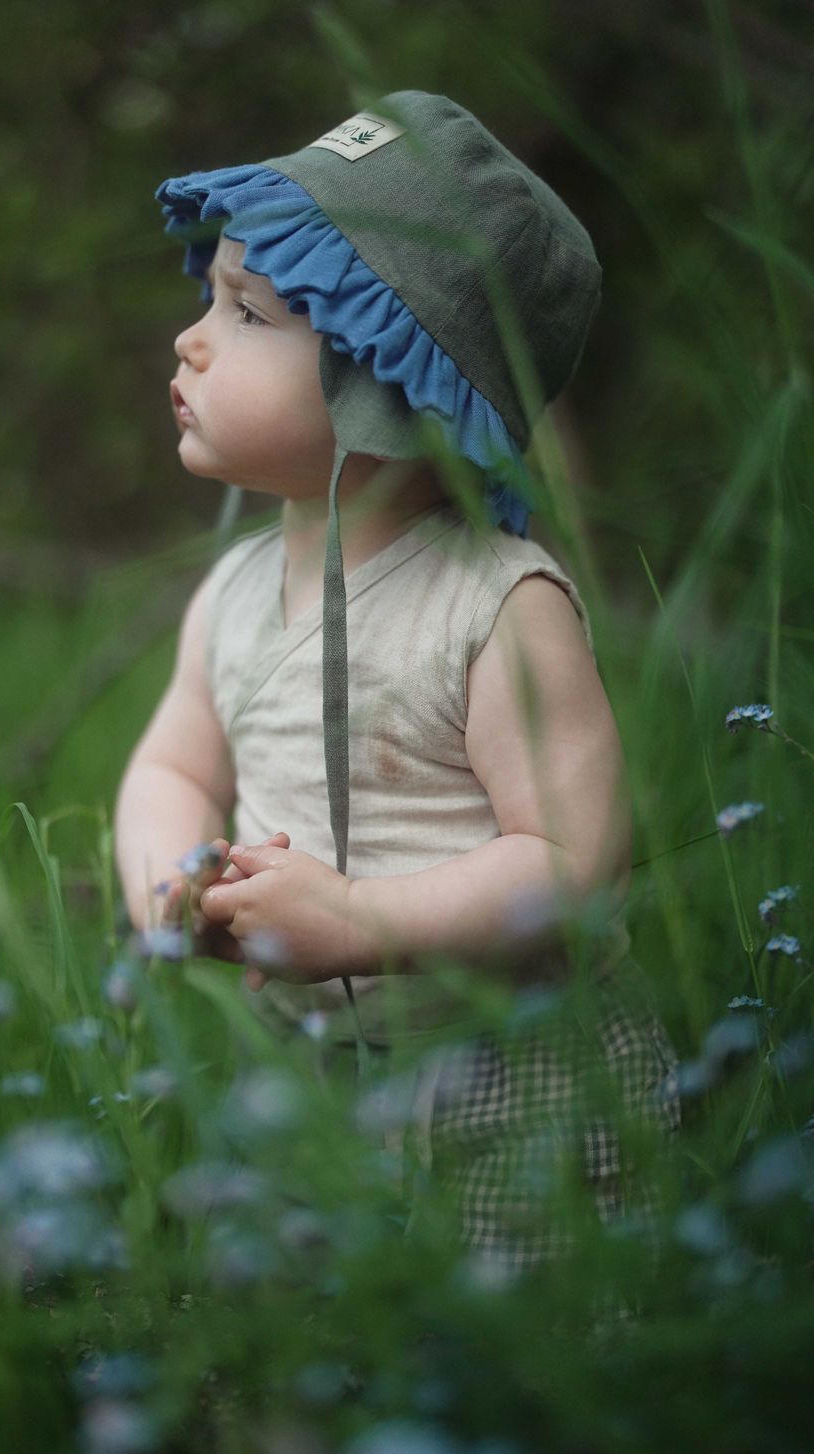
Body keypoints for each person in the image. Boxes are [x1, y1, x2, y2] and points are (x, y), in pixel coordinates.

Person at [115, 91, 680, 1268]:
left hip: (514, 1078)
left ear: (387, 370)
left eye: (250, 311)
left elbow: (575, 865)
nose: (192, 338)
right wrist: (164, 885)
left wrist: (364, 921)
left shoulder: (494, 605)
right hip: (315, 1073)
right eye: (208, 294)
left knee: (513, 1378)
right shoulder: (230, 597)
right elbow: (173, 760)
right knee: (325, 1371)